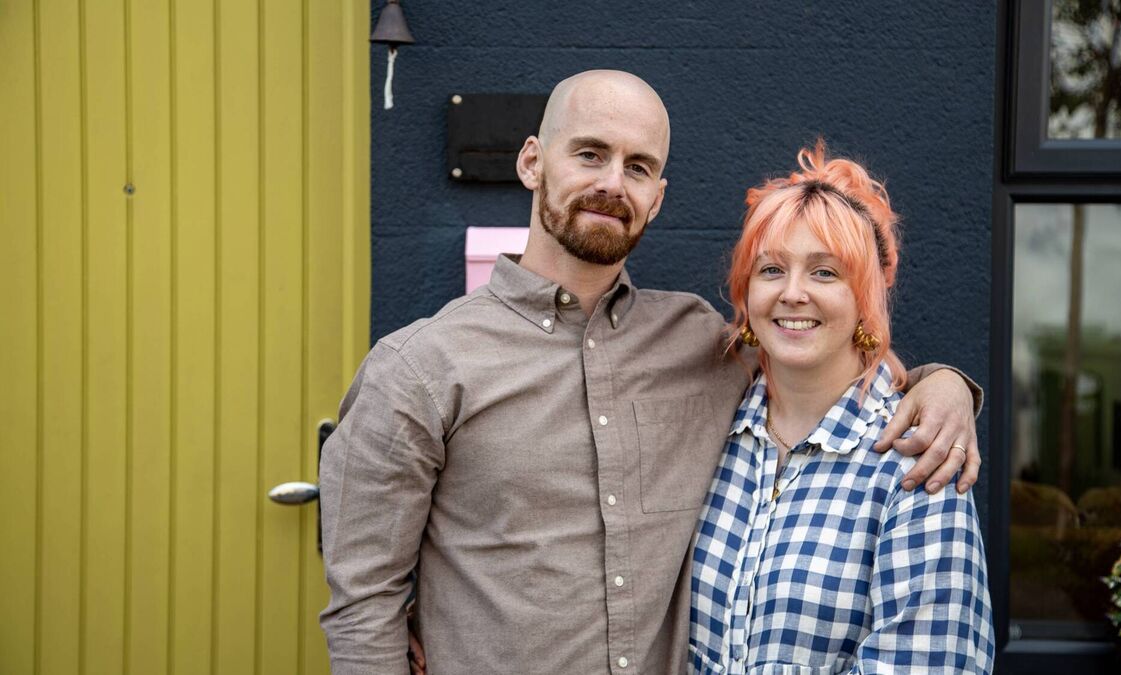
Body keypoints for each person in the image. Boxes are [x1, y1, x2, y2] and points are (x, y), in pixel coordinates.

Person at [318, 70, 983, 675]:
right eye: (589, 154)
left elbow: (822, 356)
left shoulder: (700, 344)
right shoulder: (419, 368)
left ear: (658, 197)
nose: (612, 183)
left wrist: (941, 383)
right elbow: (362, 608)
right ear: (531, 161)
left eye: (638, 167)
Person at [689, 142, 994, 674]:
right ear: (744, 290)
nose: (793, 293)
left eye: (825, 273)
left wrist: (949, 386)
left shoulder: (915, 464)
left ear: (866, 297)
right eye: (771, 270)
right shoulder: (709, 429)